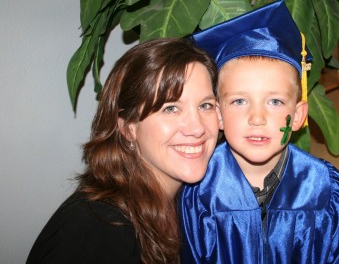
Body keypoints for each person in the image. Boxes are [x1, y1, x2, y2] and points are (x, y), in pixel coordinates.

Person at [179, 0, 339, 263]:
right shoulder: (200, 193)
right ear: (218, 115)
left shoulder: (326, 188)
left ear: (297, 116)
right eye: (239, 101)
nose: (257, 118)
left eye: (275, 102)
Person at [27, 38, 219, 264]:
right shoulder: (100, 229)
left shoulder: (193, 204)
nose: (197, 128)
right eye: (171, 108)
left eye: (205, 105)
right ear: (128, 127)